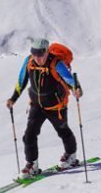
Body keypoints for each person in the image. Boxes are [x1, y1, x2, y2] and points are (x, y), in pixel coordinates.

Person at [6, 38, 83, 178]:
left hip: (56, 107)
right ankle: (32, 165)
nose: (37, 58)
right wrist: (13, 98)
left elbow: (69, 79)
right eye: (34, 54)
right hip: (37, 106)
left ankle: (71, 155)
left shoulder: (56, 63)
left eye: (40, 54)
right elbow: (21, 80)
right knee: (29, 135)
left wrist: (76, 88)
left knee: (63, 132)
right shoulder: (29, 61)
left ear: (47, 51)